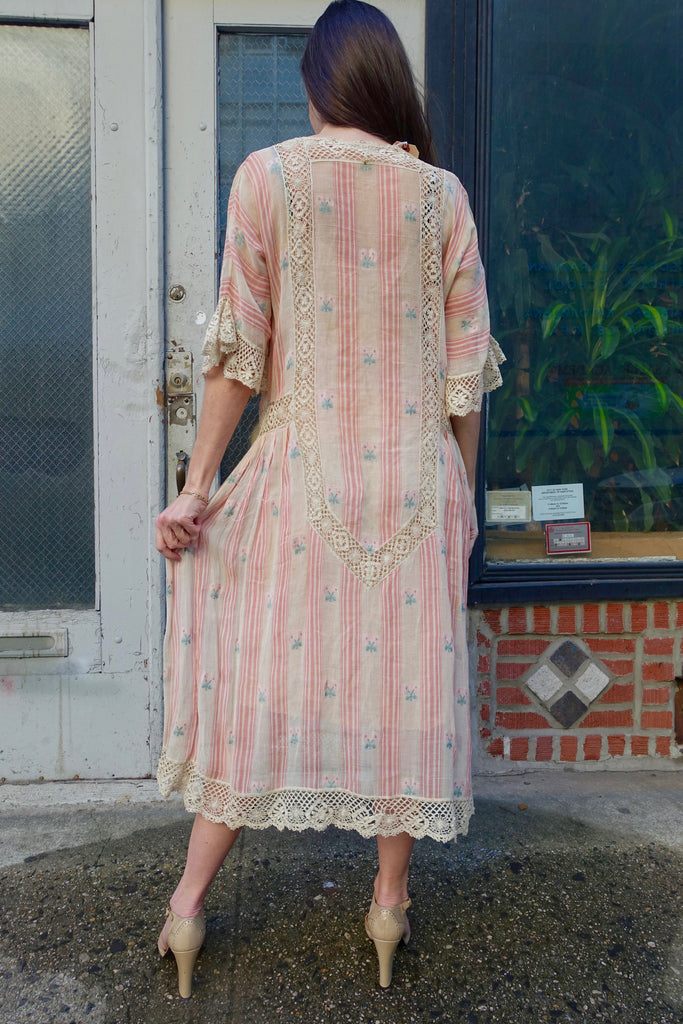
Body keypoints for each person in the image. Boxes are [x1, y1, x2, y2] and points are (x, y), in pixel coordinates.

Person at [154, 0, 504, 997]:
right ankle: (387, 905)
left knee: (255, 688)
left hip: (301, 476)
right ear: (387, 79)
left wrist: (197, 485)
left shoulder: (265, 177)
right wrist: (462, 497)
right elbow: (463, 377)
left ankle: (186, 906)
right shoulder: (440, 194)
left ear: (317, 83)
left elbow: (236, 350)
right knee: (402, 690)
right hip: (409, 477)